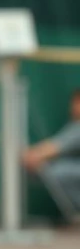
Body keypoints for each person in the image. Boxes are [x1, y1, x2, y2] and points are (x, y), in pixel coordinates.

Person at [22, 89, 80, 217]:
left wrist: (33, 155)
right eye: (74, 102)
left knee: (56, 171)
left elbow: (56, 147)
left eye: (78, 103)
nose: (74, 106)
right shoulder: (74, 124)